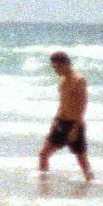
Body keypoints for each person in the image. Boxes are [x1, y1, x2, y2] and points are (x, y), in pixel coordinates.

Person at [37, 52, 92, 180]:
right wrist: (54, 123)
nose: (55, 70)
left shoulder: (79, 80)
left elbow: (82, 105)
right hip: (61, 123)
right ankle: (43, 185)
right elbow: (62, 104)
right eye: (54, 68)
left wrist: (75, 128)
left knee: (81, 160)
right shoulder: (62, 80)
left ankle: (91, 183)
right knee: (43, 154)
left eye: (57, 67)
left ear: (65, 64)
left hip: (74, 124)